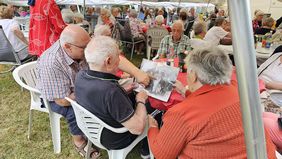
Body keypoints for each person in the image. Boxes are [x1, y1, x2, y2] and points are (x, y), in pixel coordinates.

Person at [37, 25, 151, 159]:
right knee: (73, 111)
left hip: (85, 88)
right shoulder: (51, 63)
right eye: (85, 47)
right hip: (58, 98)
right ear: (68, 47)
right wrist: (140, 99)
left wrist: (134, 75)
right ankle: (78, 140)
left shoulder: (81, 73)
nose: (88, 49)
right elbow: (62, 100)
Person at [147, 46, 276, 158]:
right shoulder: (239, 90)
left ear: (194, 75)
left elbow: (162, 154)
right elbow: (214, 102)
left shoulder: (182, 114)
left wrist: (153, 128)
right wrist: (185, 91)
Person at [75, 35, 153, 158]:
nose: (120, 60)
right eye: (118, 56)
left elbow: (101, 98)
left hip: (92, 128)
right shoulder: (111, 92)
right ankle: (146, 151)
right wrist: (141, 99)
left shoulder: (81, 75)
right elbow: (137, 128)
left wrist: (123, 91)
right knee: (155, 109)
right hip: (116, 138)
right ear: (108, 61)